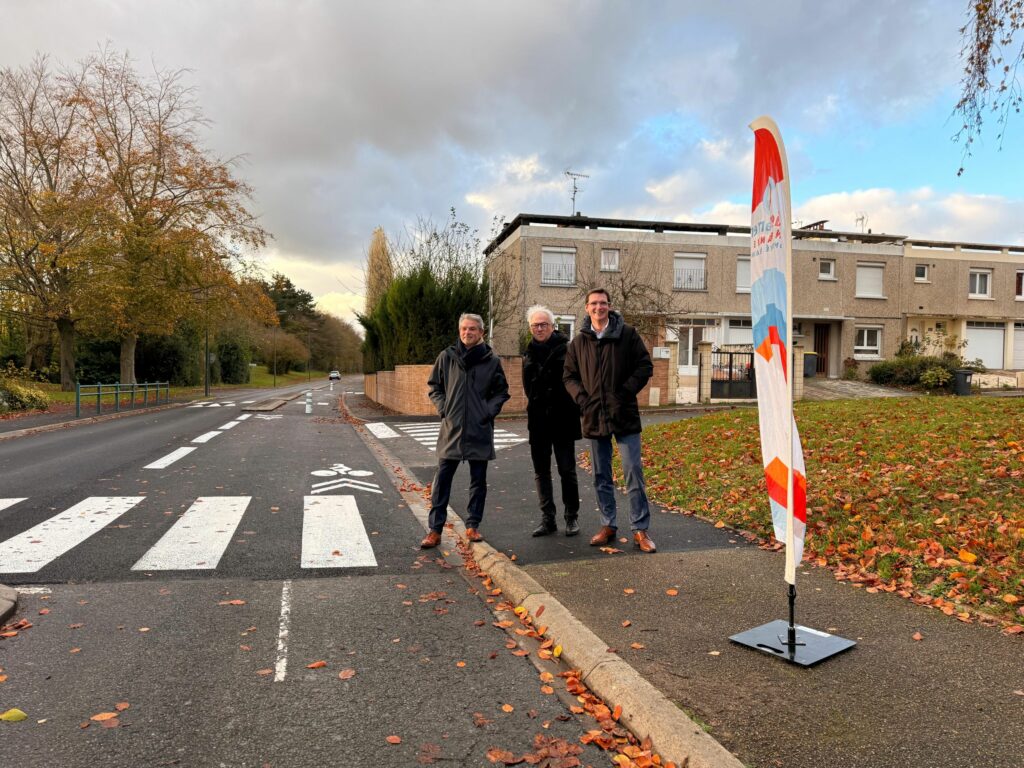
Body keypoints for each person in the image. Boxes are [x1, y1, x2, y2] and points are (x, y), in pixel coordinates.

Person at [563, 289, 657, 553]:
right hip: (594, 416)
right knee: (601, 475)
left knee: (633, 472)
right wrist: (583, 400)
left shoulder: (627, 334)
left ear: (609, 306)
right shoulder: (578, 342)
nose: (598, 307)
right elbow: (569, 376)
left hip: (624, 414)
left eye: (603, 303)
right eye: (593, 303)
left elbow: (645, 366)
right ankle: (608, 525)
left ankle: (640, 528)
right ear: (586, 307)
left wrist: (625, 392)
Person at [420, 313, 510, 548]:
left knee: (478, 481)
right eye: (464, 329)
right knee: (442, 481)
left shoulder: (491, 360)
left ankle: (472, 526)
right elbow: (434, 386)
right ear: (459, 331)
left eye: (472, 329)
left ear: (481, 332)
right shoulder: (446, 357)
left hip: (479, 430)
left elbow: (501, 391)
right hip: (452, 429)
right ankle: (435, 530)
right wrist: (445, 409)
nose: (467, 332)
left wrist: (487, 412)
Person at [522, 305, 581, 537]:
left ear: (552, 326)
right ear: (530, 328)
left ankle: (571, 517)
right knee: (541, 472)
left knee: (567, 471)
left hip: (563, 419)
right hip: (538, 422)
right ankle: (548, 519)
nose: (539, 328)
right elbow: (528, 388)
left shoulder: (567, 350)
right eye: (535, 325)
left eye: (543, 324)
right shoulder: (528, 354)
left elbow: (575, 380)